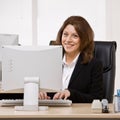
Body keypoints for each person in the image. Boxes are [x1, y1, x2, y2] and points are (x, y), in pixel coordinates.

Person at [39, 16, 103, 103]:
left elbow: (97, 99)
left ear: (84, 39)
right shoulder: (49, 60)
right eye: (65, 34)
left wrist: (71, 94)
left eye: (75, 36)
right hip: (50, 113)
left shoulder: (94, 65)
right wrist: (38, 94)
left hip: (77, 115)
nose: (68, 40)